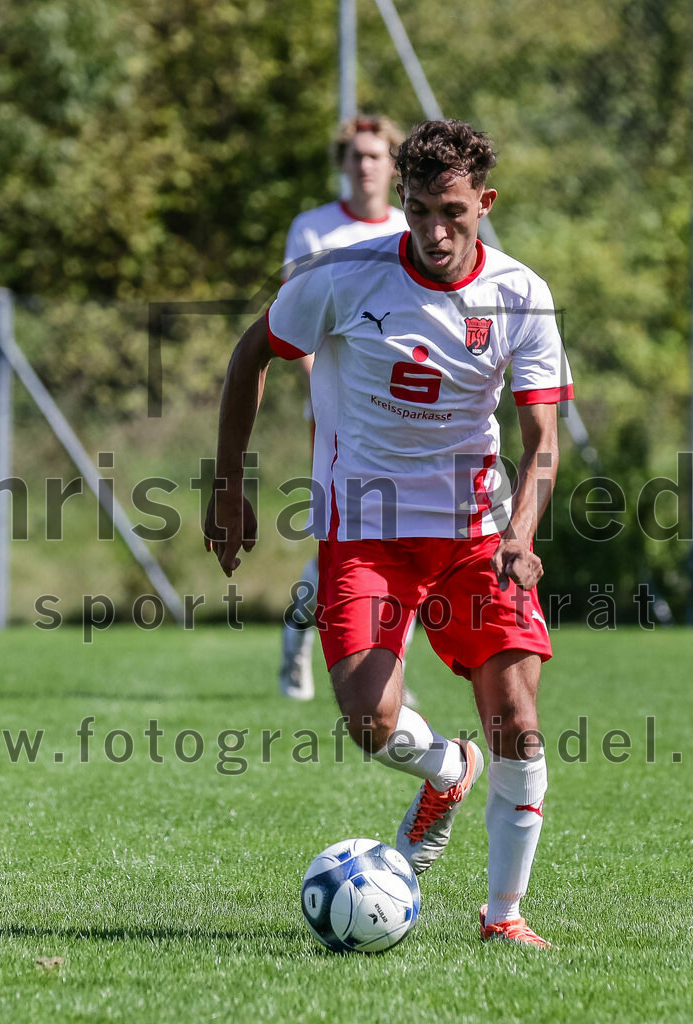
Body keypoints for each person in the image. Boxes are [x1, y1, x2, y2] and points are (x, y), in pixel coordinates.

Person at [205, 119, 573, 947]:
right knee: (371, 722)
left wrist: (520, 530)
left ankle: (504, 916)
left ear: (485, 202)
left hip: (478, 534)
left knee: (515, 717)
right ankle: (447, 771)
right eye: (417, 212)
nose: (434, 232)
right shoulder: (339, 278)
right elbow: (249, 357)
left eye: (452, 212)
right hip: (365, 532)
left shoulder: (521, 295)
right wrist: (228, 485)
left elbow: (543, 441)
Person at [278, 114, 410, 702]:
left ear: (393, 164)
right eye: (355, 155)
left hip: (403, 417)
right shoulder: (314, 228)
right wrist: (328, 397)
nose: (364, 165)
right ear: (343, 163)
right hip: (335, 415)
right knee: (339, 542)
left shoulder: (413, 228)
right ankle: (301, 643)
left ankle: (385, 674)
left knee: (403, 538)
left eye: (376, 155)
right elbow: (294, 325)